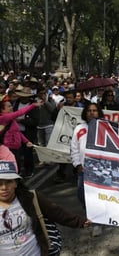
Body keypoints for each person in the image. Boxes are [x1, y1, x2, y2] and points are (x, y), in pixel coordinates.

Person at [0, 150, 91, 256]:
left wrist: (80, 222)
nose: (4, 188)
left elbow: (56, 212)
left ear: (16, 183)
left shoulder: (31, 198)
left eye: (8, 182)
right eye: (0, 183)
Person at [70, 103, 104, 237]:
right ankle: (91, 213)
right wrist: (77, 164)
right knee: (81, 195)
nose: (92, 113)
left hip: (99, 169)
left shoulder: (104, 128)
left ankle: (97, 222)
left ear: (99, 112)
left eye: (95, 110)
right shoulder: (79, 128)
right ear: (85, 113)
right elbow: (74, 148)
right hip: (83, 169)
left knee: (97, 197)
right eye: (89, 110)